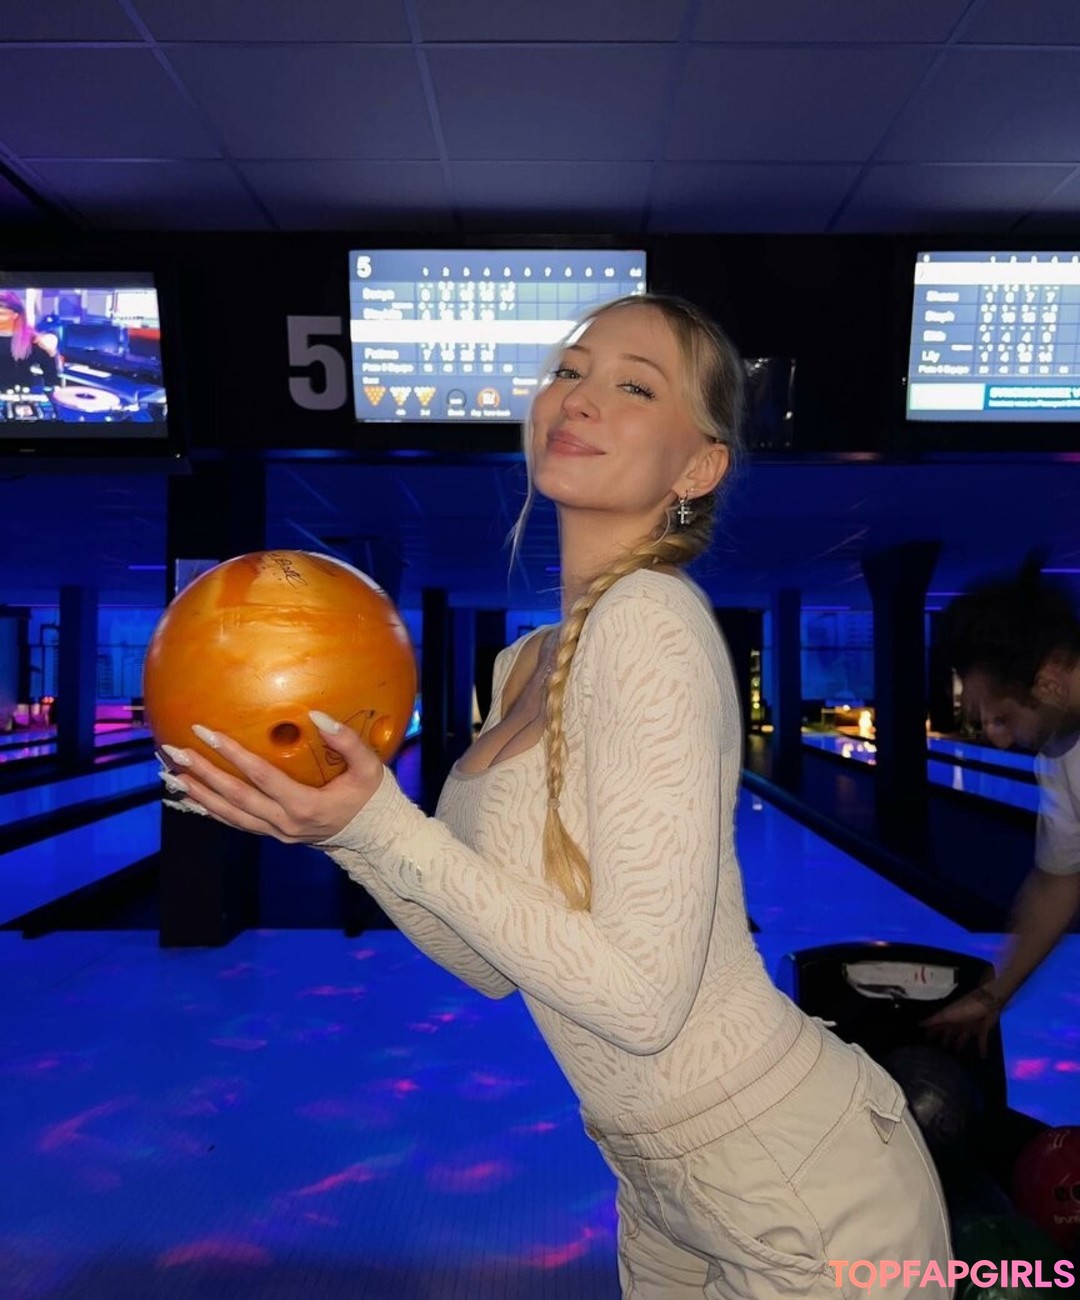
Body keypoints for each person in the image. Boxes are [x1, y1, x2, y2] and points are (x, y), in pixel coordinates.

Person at [159, 293, 952, 1299]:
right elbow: (489, 962)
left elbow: (642, 1004)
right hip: (659, 1180)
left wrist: (383, 826)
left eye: (634, 387)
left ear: (698, 467)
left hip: (793, 1176)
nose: (579, 398)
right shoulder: (525, 661)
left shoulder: (653, 621)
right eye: (571, 371)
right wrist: (346, 835)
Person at [923, 558, 1080, 1056]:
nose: (998, 738)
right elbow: (1058, 882)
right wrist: (993, 996)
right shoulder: (1060, 758)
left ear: (1049, 678)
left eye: (1002, 717)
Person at [0, 290, 59, 393]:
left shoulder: (31, 340)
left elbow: (50, 376)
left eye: (1, 314)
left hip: (21, 395)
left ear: (15, 315)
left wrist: (52, 352)